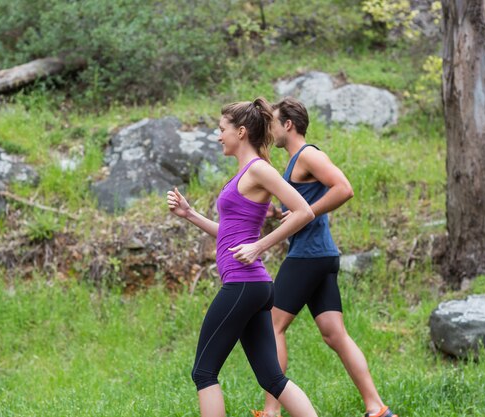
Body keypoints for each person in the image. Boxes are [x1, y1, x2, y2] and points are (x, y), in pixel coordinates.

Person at [167, 97, 319, 417]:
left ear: (240, 132)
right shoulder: (244, 173)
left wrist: (260, 246)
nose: (218, 135)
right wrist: (190, 214)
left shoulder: (259, 170)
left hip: (243, 284)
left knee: (204, 372)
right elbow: (230, 234)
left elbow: (303, 211)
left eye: (221, 129)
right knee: (272, 378)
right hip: (254, 286)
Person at [253, 97, 398, 417]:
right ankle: (377, 408)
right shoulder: (295, 161)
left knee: (271, 325)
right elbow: (302, 206)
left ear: (288, 125)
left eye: (274, 123)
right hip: (321, 255)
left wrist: (304, 214)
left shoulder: (308, 155)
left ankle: (271, 411)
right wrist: (283, 214)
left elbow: (343, 188)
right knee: (335, 333)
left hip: (308, 255)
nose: (271, 130)